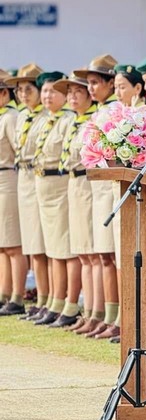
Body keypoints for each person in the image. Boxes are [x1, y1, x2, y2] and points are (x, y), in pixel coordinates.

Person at [81, 58, 125, 339]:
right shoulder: (98, 111)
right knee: (100, 254)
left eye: (97, 82)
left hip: (111, 187)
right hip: (95, 187)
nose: (91, 87)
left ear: (111, 83)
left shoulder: (117, 112)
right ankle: (106, 315)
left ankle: (118, 316)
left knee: (111, 255)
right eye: (90, 83)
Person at [53, 76, 96, 329]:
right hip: (72, 183)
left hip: (88, 183)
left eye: (78, 91)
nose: (72, 96)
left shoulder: (94, 118)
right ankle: (88, 312)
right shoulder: (71, 121)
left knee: (94, 252)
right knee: (83, 251)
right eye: (69, 92)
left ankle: (98, 312)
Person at [31, 72, 74, 327]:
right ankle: (50, 300)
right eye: (44, 91)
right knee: (49, 249)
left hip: (60, 185)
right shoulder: (45, 120)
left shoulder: (69, 120)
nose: (47, 96)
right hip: (42, 184)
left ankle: (65, 302)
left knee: (63, 250)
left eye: (52, 92)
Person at [10, 64, 48, 320]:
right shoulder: (23, 116)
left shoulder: (47, 117)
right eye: (20, 90)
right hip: (22, 177)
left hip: (40, 178)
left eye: (29, 89)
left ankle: (47, 298)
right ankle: (41, 298)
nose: (24, 95)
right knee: (32, 244)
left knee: (43, 244)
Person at [0, 73, 28, 316]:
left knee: (12, 243)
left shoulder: (10, 117)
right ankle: (4, 292)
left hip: (6, 178)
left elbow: (20, 150)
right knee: (1, 245)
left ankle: (18, 296)